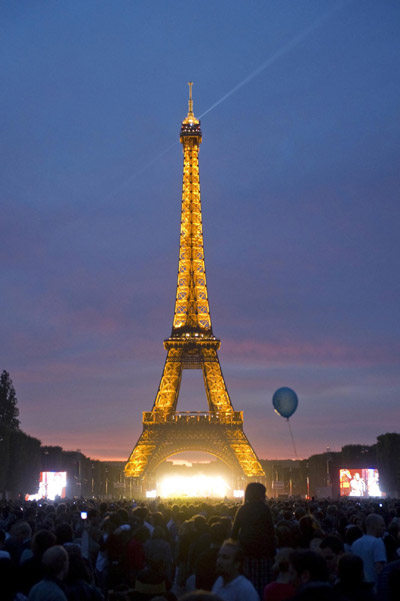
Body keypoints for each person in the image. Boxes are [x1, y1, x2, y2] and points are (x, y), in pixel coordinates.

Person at [231, 482, 275, 596]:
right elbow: (271, 532)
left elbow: (234, 532)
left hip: (246, 552)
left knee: (248, 585)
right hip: (264, 554)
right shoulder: (265, 509)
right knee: (263, 585)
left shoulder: (243, 509)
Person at [351, 513, 386, 588]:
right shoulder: (377, 542)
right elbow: (380, 569)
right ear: (374, 526)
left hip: (358, 588)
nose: (384, 528)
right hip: (374, 587)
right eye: (382, 525)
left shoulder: (355, 543)